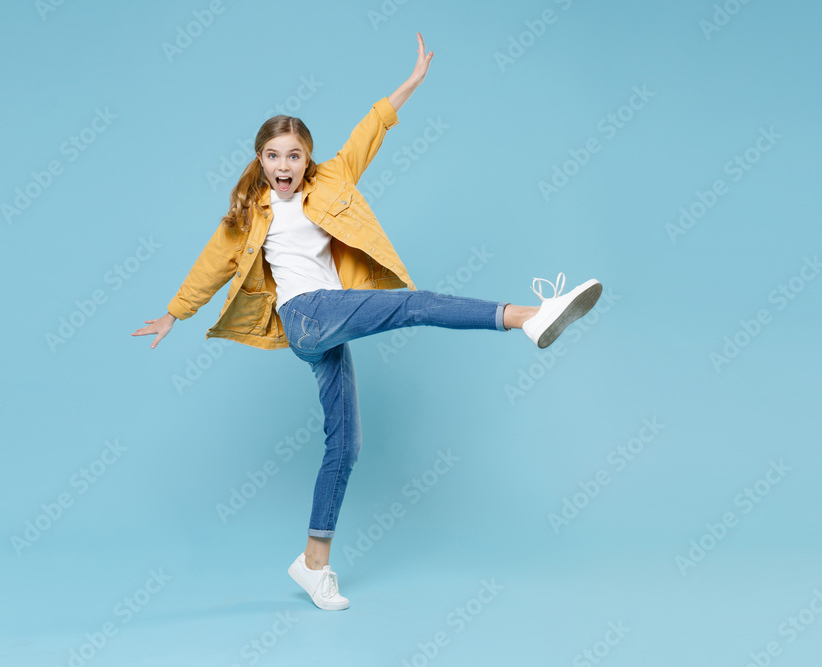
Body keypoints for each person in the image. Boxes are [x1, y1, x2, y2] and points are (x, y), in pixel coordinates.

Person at [132, 33, 602, 611]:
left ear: (308, 159)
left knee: (346, 445)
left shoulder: (331, 179)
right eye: (274, 156)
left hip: (332, 319)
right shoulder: (245, 215)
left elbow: (370, 129)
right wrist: (174, 316)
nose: (285, 165)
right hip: (303, 318)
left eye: (295, 155)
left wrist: (411, 83)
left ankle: (313, 563)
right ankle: (528, 316)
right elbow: (209, 268)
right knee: (411, 303)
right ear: (261, 160)